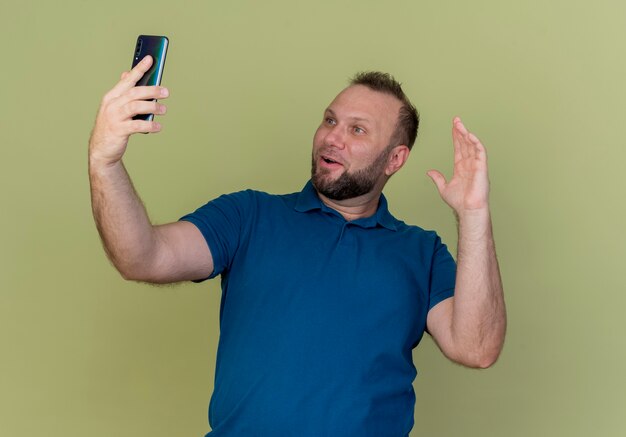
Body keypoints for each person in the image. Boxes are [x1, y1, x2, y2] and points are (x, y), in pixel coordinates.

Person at [88, 55, 506, 436]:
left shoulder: (422, 252)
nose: (332, 138)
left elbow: (478, 347)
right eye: (329, 120)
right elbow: (144, 258)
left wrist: (473, 214)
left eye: (356, 130)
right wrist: (105, 162)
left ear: (395, 160)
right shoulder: (248, 216)